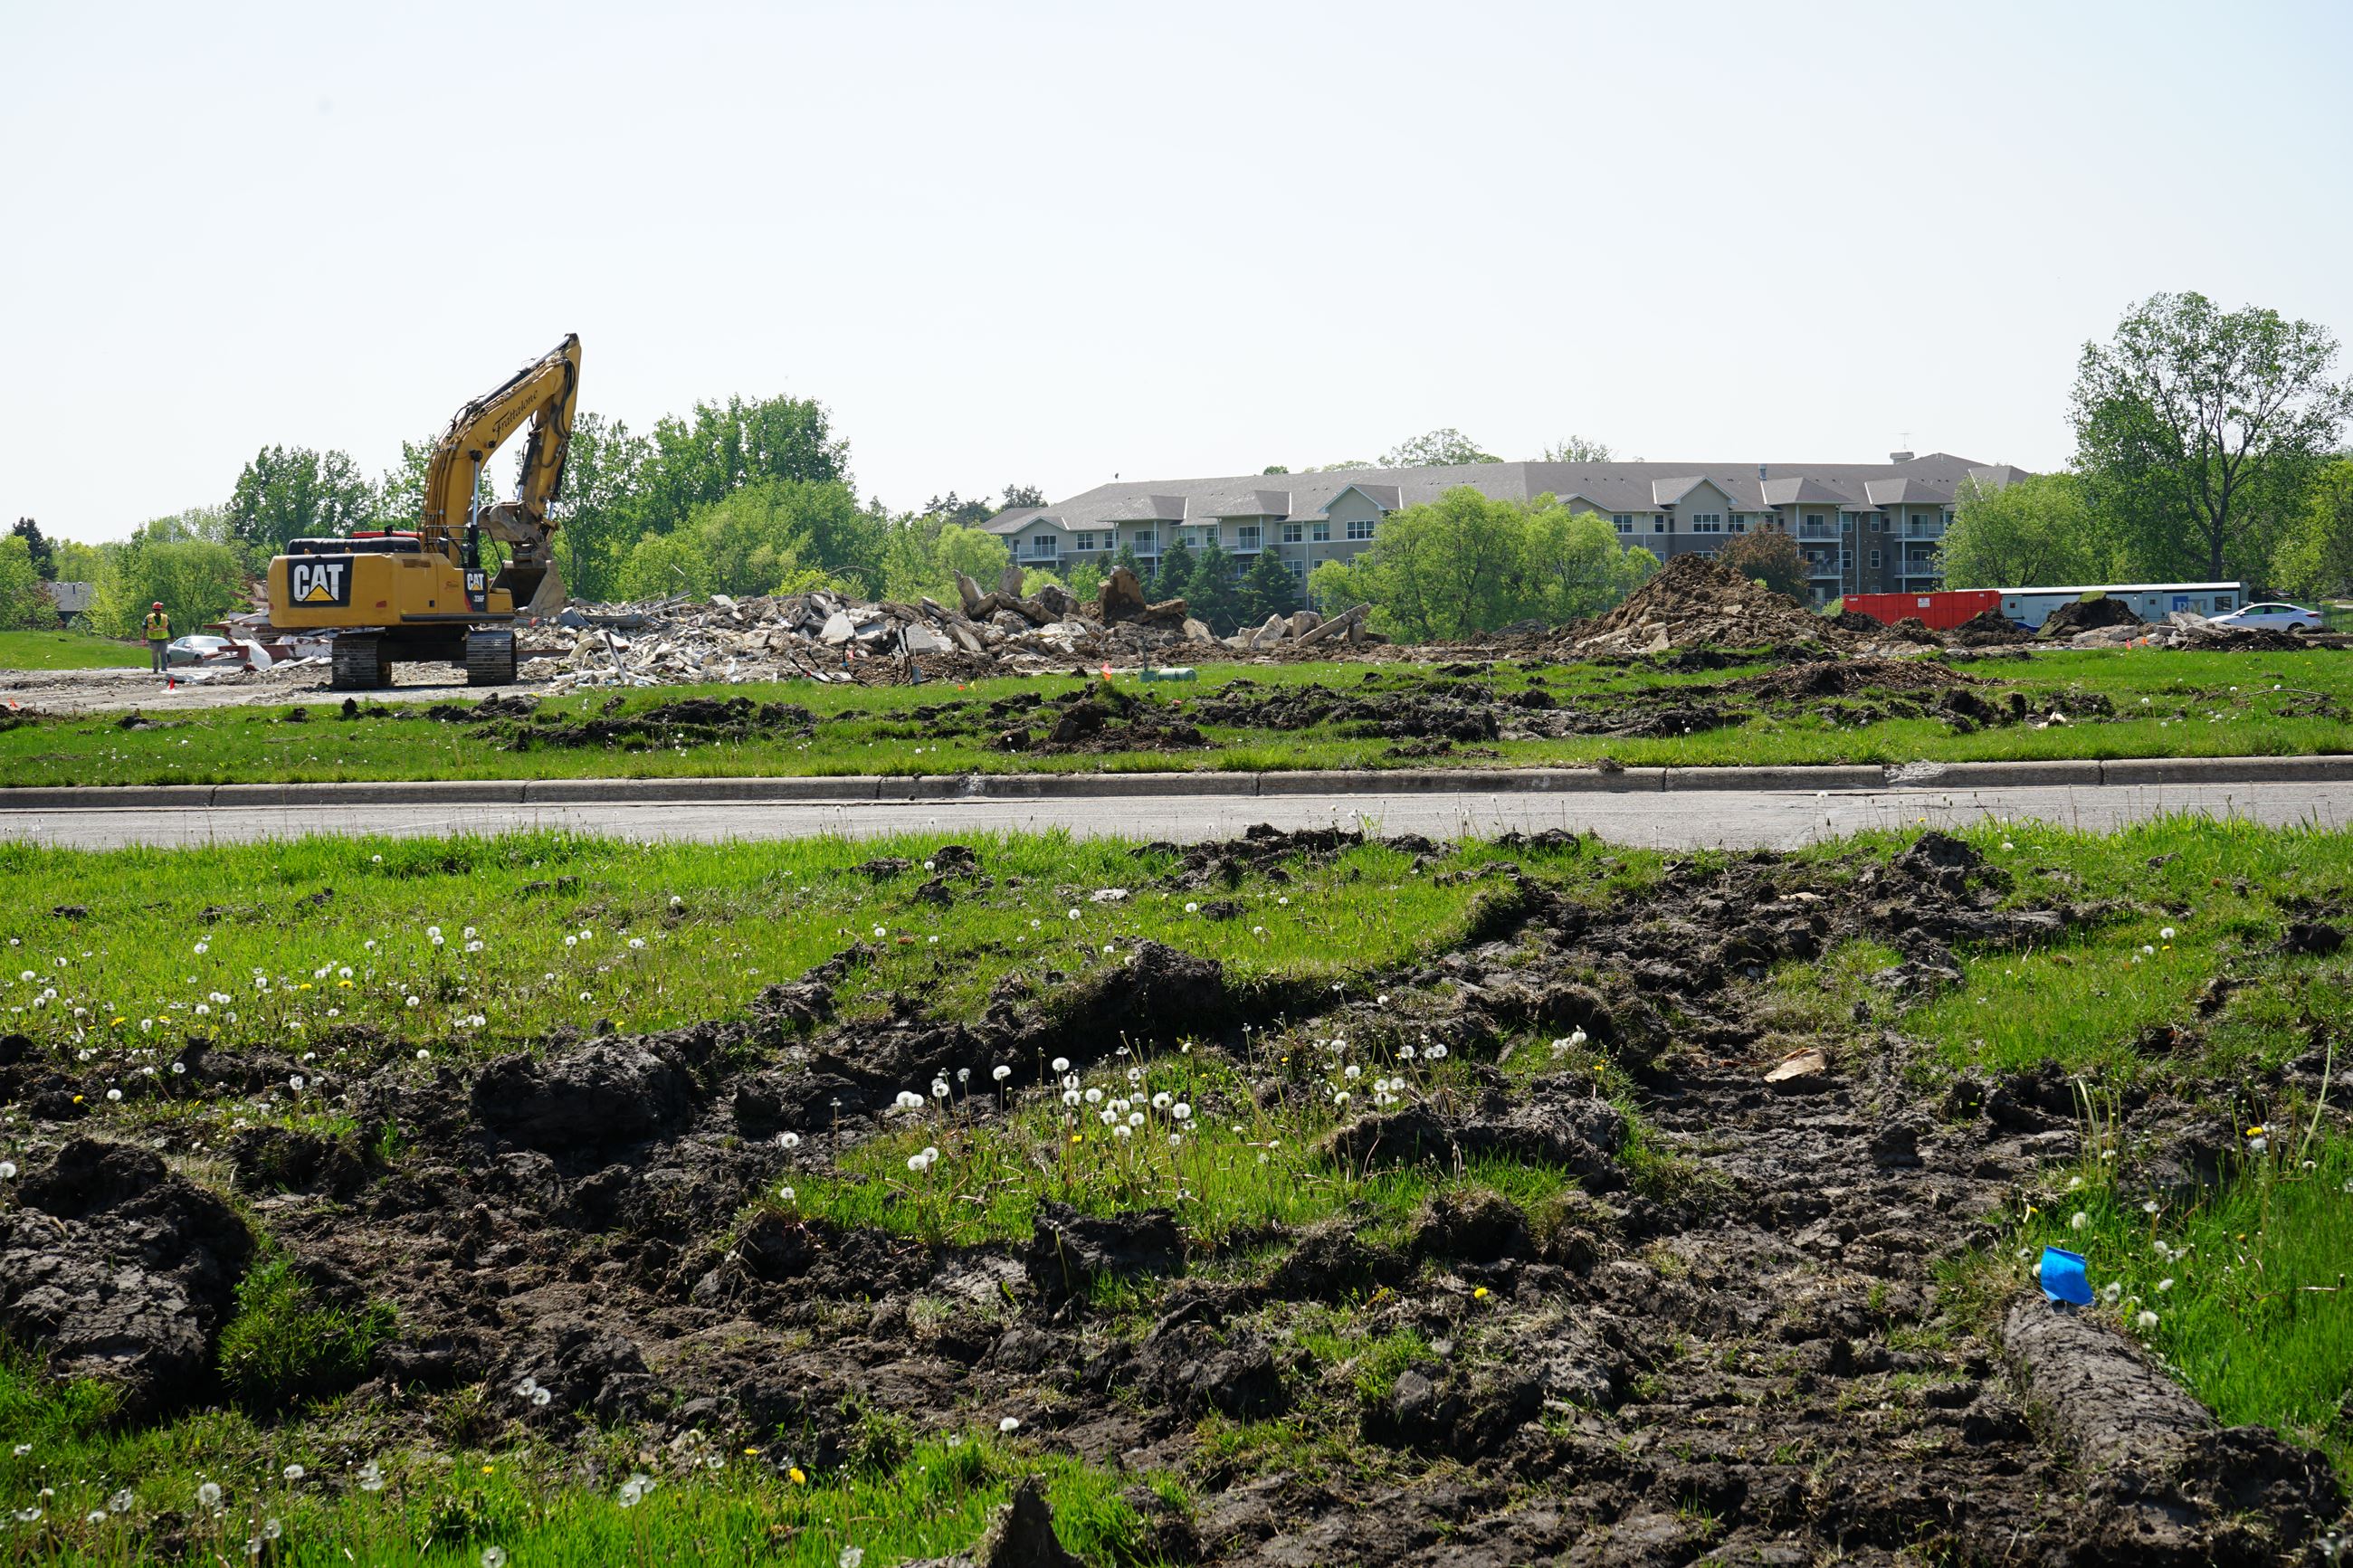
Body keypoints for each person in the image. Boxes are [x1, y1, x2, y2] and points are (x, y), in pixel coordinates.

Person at [143, 602, 171, 673]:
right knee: (154, 655)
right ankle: (155, 669)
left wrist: (172, 636)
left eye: (158, 610)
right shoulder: (149, 617)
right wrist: (143, 636)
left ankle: (164, 669)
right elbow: (144, 626)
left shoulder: (165, 617)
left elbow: (170, 627)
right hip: (153, 640)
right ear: (153, 610)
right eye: (155, 610)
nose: (157, 611)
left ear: (161, 610)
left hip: (163, 639)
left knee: (163, 653)